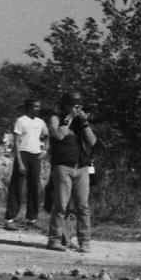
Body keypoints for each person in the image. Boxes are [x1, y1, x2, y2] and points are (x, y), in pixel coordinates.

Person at [46, 92, 96, 252]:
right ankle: (55, 239)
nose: (76, 108)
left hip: (81, 167)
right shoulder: (56, 118)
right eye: (73, 105)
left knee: (83, 206)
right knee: (61, 205)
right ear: (66, 105)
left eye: (79, 105)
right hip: (63, 166)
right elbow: (58, 135)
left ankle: (85, 241)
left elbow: (92, 141)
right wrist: (69, 117)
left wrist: (85, 122)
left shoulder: (81, 123)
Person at [4, 99, 49, 231]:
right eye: (35, 106)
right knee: (17, 187)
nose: (37, 108)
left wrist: (45, 150)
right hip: (23, 154)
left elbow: (46, 135)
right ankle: (9, 219)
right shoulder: (21, 121)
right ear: (29, 107)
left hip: (36, 155)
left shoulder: (41, 122)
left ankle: (32, 218)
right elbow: (16, 142)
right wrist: (19, 161)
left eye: (39, 106)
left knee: (34, 187)